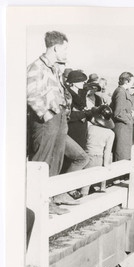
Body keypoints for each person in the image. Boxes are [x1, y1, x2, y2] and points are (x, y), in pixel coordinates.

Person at [27, 30, 71, 177]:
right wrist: (46, 115)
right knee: (42, 160)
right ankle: (36, 198)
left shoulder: (55, 69)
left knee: (56, 158)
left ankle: (51, 196)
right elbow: (30, 93)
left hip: (59, 117)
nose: (66, 52)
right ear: (56, 48)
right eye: (65, 48)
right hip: (46, 120)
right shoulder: (37, 66)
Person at [81, 105, 115, 196]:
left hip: (88, 157)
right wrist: (106, 164)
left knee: (85, 184)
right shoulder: (110, 133)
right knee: (101, 180)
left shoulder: (90, 128)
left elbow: (84, 141)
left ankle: (83, 197)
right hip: (100, 158)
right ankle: (103, 188)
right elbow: (107, 151)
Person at [111, 71, 134, 161]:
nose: (133, 83)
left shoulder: (123, 91)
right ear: (126, 81)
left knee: (125, 154)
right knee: (121, 155)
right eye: (132, 81)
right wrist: (129, 119)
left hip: (124, 127)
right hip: (122, 127)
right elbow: (118, 113)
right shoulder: (121, 92)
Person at [66, 70, 91, 150]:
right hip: (72, 128)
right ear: (74, 82)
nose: (84, 83)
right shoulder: (68, 94)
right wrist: (84, 113)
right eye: (81, 81)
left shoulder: (81, 93)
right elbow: (68, 114)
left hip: (82, 128)